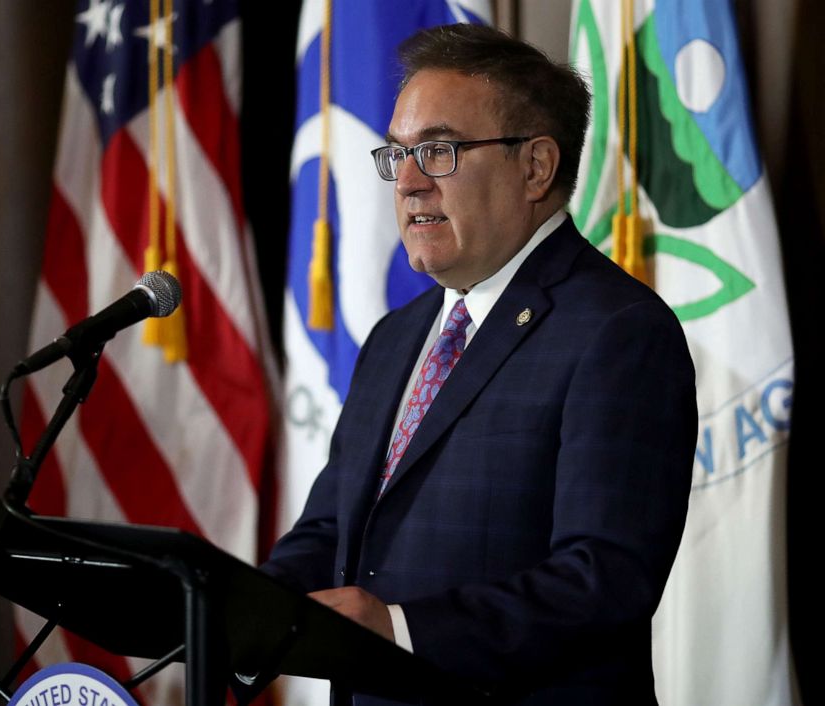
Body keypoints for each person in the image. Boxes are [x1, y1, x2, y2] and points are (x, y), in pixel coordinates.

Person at [264, 23, 697, 706]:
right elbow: (332, 530)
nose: (405, 183)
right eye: (397, 154)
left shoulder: (617, 331)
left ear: (535, 167)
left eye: (437, 151)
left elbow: (604, 577)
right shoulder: (394, 338)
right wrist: (236, 611)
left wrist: (403, 629)